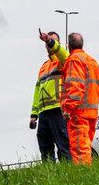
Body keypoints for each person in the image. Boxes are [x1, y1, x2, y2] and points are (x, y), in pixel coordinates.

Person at [40, 31, 99, 165]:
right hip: (92, 112)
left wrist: (68, 109)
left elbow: (75, 88)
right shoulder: (92, 61)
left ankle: (82, 175)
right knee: (85, 144)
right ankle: (85, 171)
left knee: (79, 147)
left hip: (78, 112)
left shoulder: (73, 60)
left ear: (68, 46)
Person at [30, 31, 70, 161]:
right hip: (44, 113)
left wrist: (49, 40)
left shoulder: (63, 61)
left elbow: (63, 53)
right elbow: (37, 91)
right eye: (47, 42)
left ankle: (67, 172)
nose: (48, 44)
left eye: (52, 41)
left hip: (58, 110)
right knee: (45, 147)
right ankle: (49, 175)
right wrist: (33, 115)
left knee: (63, 145)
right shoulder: (43, 66)